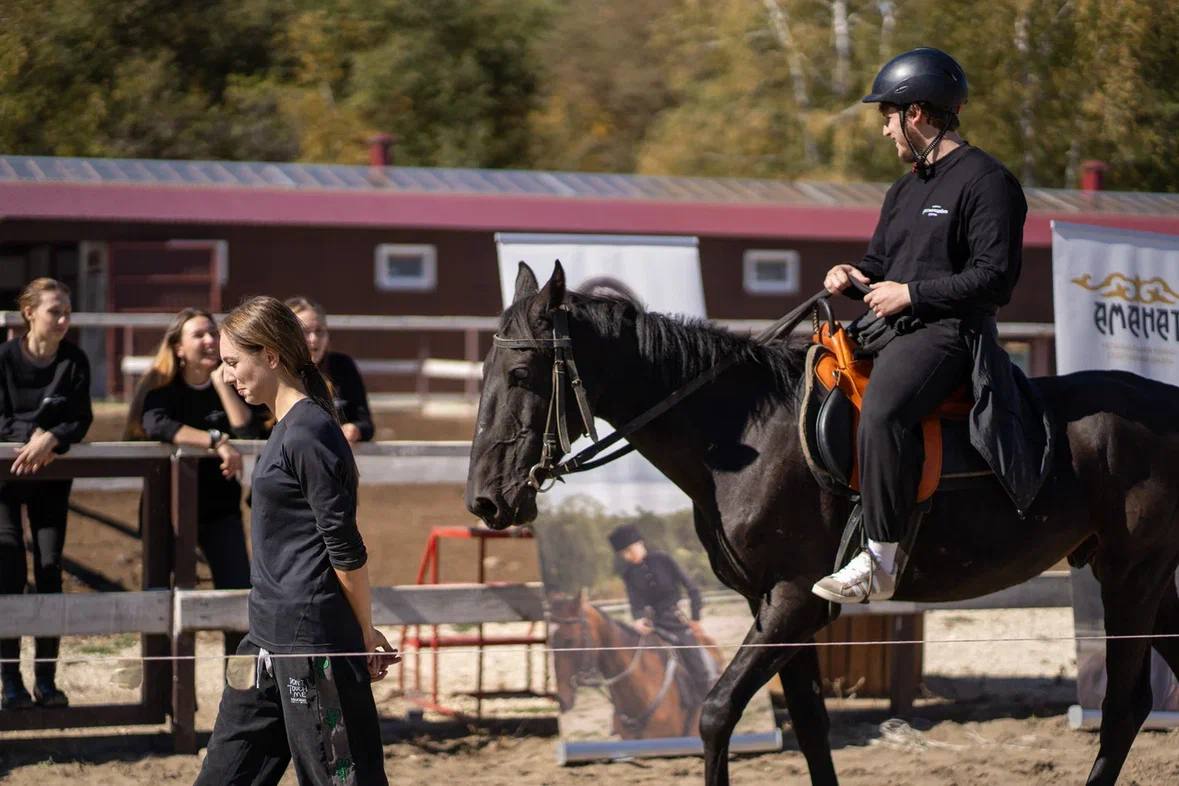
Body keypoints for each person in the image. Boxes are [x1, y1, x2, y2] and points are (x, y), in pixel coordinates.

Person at [811, 48, 1030, 604]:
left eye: (886, 117)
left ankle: (880, 560)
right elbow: (883, 264)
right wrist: (853, 273)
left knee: (884, 409)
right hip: (891, 325)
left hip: (950, 333)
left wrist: (913, 294)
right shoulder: (905, 189)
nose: (884, 131)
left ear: (915, 114)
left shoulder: (987, 181)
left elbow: (995, 278)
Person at [195, 296, 397, 786]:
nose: (226, 375)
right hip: (265, 637)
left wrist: (363, 636)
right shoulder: (286, 428)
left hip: (313, 645)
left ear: (270, 356)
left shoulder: (309, 433)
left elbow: (345, 547)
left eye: (232, 362)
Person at [125, 308, 260, 657]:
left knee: (237, 597)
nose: (209, 340)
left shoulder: (233, 386)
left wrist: (222, 384)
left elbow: (248, 430)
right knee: (161, 597)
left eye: (213, 333)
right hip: (166, 511)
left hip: (220, 511)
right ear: (179, 348)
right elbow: (157, 425)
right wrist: (215, 439)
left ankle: (240, 689)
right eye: (199, 335)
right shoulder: (162, 389)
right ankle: (164, 685)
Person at [0, 278, 92, 710]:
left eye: (67, 311)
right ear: (29, 312)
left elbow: (80, 418)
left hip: (51, 482)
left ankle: (47, 680)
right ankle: (10, 681)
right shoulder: (2, 358)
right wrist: (32, 438)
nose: (63, 319)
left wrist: (51, 437)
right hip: (5, 479)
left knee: (50, 568)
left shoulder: (73, 361)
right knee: (9, 572)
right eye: (55, 310)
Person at [608, 524, 717, 690]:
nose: (628, 556)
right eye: (623, 554)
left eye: (630, 550)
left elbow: (692, 589)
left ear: (640, 543)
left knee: (698, 666)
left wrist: (695, 618)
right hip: (653, 625)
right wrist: (637, 619)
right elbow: (635, 603)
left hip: (677, 620)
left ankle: (706, 694)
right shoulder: (628, 574)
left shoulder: (663, 559)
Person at [286, 297, 374, 444]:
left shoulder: (341, 366)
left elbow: (366, 424)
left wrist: (355, 429)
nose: (314, 339)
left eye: (319, 331)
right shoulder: (274, 369)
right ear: (287, 335)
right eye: (305, 332)